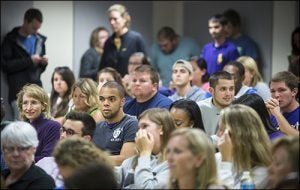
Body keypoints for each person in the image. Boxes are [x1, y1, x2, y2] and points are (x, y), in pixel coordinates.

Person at [1, 8, 48, 120]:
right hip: (18, 92)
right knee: (20, 127)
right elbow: (6, 66)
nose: (36, 31)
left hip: (36, 89)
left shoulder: (39, 40)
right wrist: (29, 60)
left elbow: (39, 70)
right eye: (33, 27)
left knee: (39, 126)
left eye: (38, 28)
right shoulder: (11, 39)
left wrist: (43, 63)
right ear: (26, 21)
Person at [115, 108, 176, 189]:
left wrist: (144, 154)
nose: (139, 132)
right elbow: (112, 177)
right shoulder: (134, 159)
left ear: (162, 129)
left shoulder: (173, 162)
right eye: (139, 128)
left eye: (144, 126)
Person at [216, 104, 272, 189]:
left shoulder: (263, 170)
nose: (218, 134)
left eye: (222, 130)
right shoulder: (217, 158)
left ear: (239, 135)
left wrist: (226, 162)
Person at [35, 111, 96, 187]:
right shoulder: (44, 163)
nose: (63, 136)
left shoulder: (94, 173)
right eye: (62, 130)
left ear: (86, 139)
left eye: (70, 132)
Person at [93, 81, 138, 166]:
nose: (105, 103)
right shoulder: (97, 126)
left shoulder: (131, 124)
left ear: (122, 102)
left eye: (111, 99)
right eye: (102, 99)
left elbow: (126, 160)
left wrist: (92, 159)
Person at [1, 121, 55, 189]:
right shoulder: (3, 175)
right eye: (10, 148)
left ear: (34, 148)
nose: (15, 154)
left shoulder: (43, 182)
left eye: (22, 148)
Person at [99, 4, 147, 77]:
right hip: (112, 85)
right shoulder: (108, 42)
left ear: (125, 19)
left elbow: (145, 66)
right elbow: (102, 68)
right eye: (110, 19)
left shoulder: (136, 39)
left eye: (115, 19)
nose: (112, 22)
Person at [16, 84, 60, 162]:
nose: (29, 108)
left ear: (43, 106)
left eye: (34, 102)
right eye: (25, 103)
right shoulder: (20, 128)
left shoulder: (53, 126)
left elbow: (47, 158)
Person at [197, 71, 235, 136]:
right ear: (211, 91)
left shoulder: (240, 106)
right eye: (223, 89)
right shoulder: (199, 108)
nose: (228, 94)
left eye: (231, 89)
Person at [266, 71, 299, 136]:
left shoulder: (276, 113)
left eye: (281, 90)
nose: (276, 95)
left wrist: (278, 115)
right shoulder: (272, 113)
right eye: (273, 91)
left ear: (294, 92)